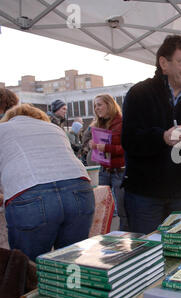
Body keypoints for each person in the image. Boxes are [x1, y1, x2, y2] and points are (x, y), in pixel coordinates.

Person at [121, 35, 181, 234]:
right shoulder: (139, 93)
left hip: (180, 194)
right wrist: (162, 137)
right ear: (164, 63)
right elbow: (129, 140)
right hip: (144, 196)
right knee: (147, 254)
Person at [0, 104, 94, 262]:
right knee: (73, 265)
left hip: (29, 192)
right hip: (79, 189)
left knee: (27, 268)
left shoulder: (3, 129)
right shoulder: (55, 129)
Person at [89, 94, 128, 231]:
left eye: (99, 104)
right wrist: (92, 145)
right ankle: (103, 238)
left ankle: (125, 240)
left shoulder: (122, 123)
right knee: (101, 209)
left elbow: (127, 147)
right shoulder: (97, 124)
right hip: (104, 170)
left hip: (119, 171)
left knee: (123, 211)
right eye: (95, 105)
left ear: (109, 105)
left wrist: (106, 148)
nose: (96, 108)